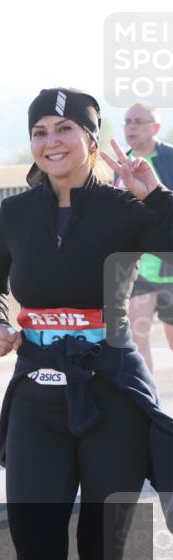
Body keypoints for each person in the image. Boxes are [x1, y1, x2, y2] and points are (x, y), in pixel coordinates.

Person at [0, 87, 173, 560]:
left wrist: (156, 195)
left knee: (102, 556)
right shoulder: (15, 213)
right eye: (40, 131)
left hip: (110, 390)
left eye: (65, 129)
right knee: (34, 553)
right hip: (38, 393)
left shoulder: (124, 209)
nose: (51, 141)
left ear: (91, 139)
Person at [118, 103, 173, 372]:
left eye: (139, 121)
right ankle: (148, 407)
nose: (132, 126)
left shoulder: (170, 159)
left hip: (170, 267)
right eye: (127, 121)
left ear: (156, 127)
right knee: (137, 337)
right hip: (138, 269)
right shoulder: (118, 166)